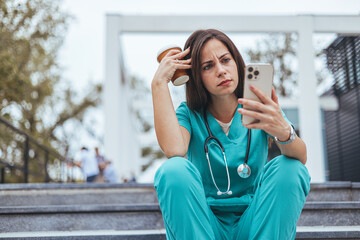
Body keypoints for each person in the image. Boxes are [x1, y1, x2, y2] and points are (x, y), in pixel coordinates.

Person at [152, 29, 311, 240]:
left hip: (255, 219)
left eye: (225, 60)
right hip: (206, 224)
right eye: (208, 66)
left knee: (290, 168)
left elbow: (300, 157)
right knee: (173, 170)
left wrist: (283, 131)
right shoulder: (189, 114)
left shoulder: (260, 106)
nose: (221, 70)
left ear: (237, 63)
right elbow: (175, 150)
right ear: (196, 77)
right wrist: (158, 84)